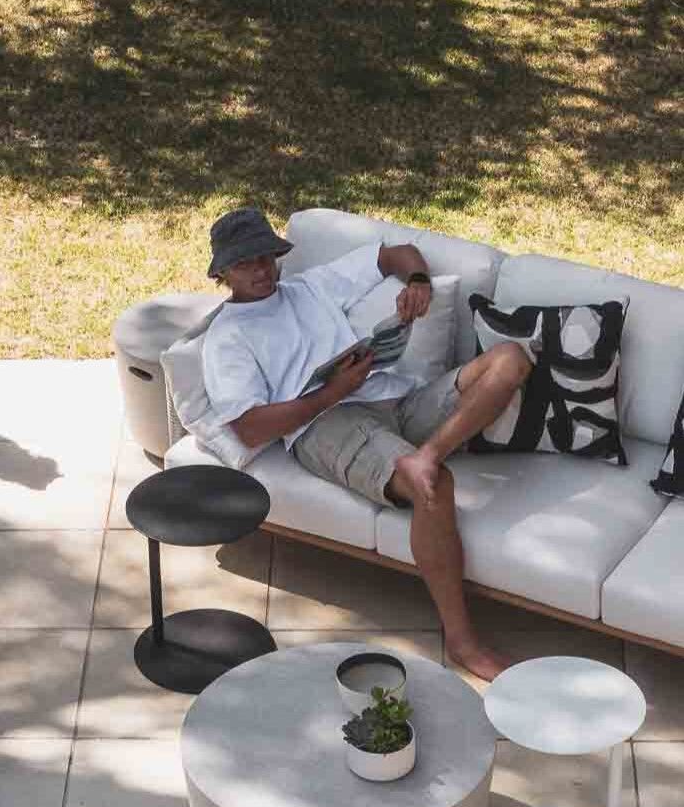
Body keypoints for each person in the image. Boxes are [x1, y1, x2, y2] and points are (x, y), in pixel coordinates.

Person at [200, 206, 531, 680]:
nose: (262, 270)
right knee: (432, 486)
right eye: (246, 263)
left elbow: (395, 254)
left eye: (267, 257)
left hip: (391, 397)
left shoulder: (309, 288)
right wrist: (334, 392)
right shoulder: (227, 337)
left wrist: (417, 280)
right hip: (325, 426)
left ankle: (427, 453)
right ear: (223, 273)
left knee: (510, 359)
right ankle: (463, 643)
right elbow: (249, 428)